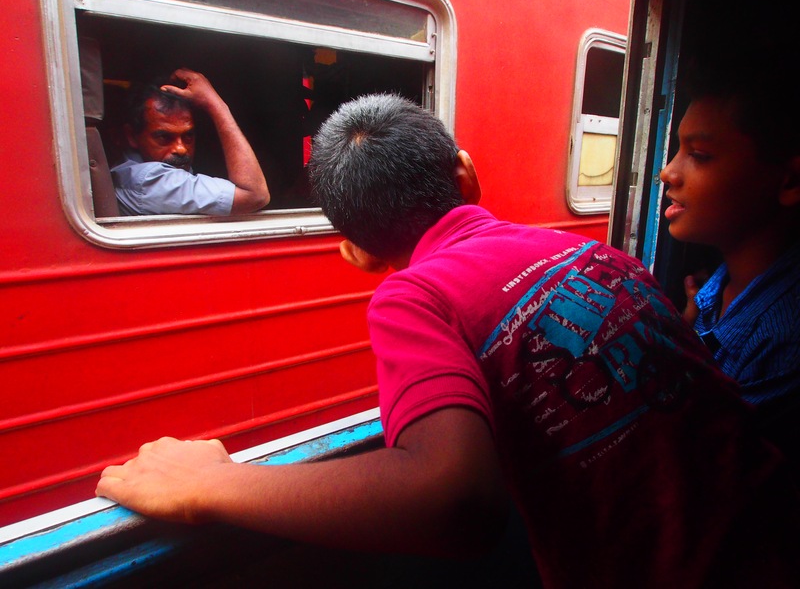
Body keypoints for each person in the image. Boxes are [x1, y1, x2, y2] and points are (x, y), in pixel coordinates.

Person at [97, 94, 798, 588]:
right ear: (467, 174)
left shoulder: (413, 295)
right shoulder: (596, 254)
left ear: (358, 256)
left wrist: (214, 484)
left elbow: (456, 505)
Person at [660, 50, 800, 461]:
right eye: (678, 150)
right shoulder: (717, 286)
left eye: (699, 156)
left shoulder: (783, 341)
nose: (668, 172)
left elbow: (704, 457)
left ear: (790, 181)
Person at [113, 68, 270, 216]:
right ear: (131, 136)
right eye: (164, 137)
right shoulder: (147, 181)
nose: (181, 149)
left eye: (188, 136)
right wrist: (216, 104)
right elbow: (255, 195)